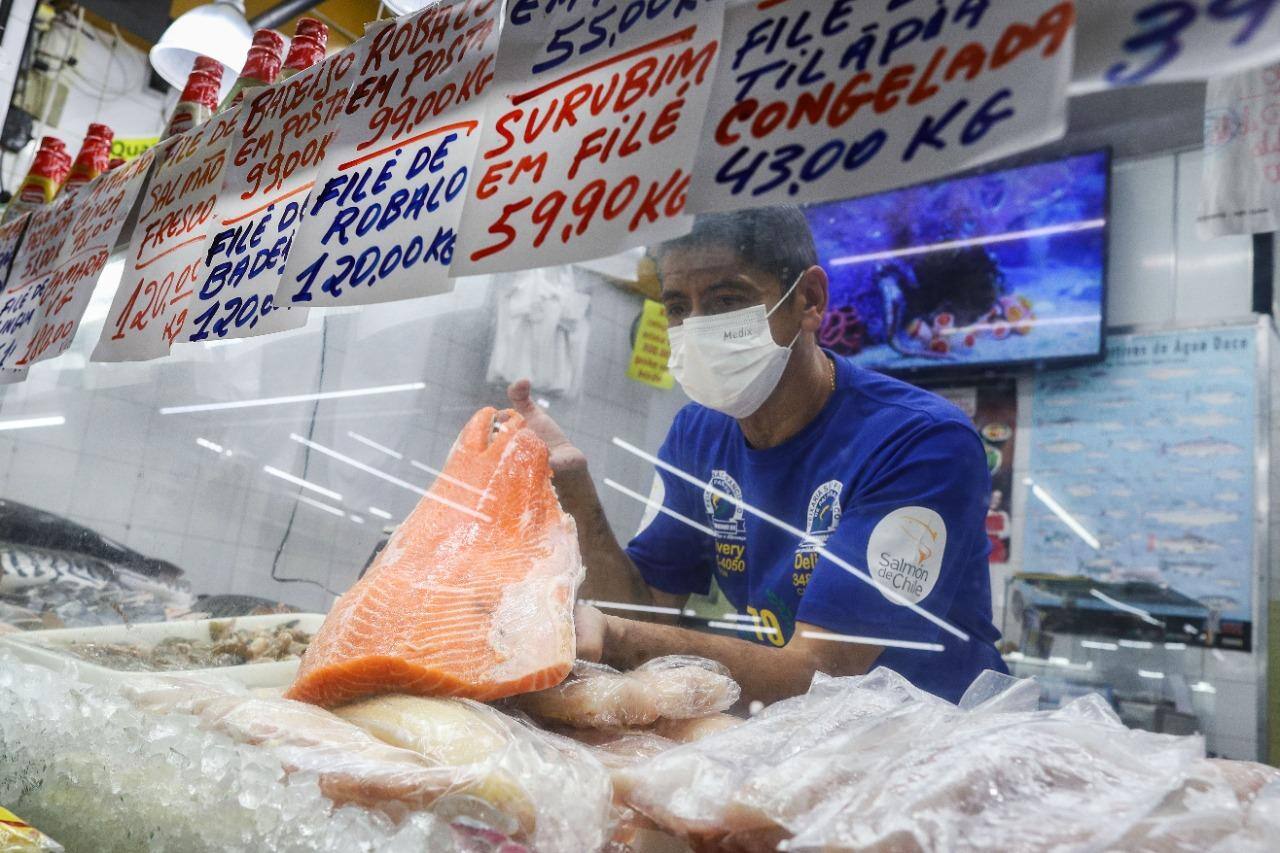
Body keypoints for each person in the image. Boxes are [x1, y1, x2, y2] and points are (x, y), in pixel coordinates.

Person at [505, 207, 1006, 705]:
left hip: (931, 736)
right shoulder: (696, 433)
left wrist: (614, 638)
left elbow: (827, 672)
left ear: (809, 300)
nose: (697, 329)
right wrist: (570, 484)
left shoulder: (921, 440)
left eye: (727, 300)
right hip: (796, 731)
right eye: (678, 307)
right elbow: (645, 612)